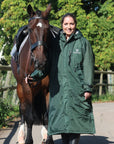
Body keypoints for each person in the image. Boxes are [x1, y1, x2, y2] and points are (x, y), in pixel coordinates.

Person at [47, 13, 95, 144]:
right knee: (62, 122)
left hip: (77, 89)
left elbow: (88, 66)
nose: (69, 27)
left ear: (75, 25)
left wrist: (88, 88)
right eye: (66, 24)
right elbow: (47, 65)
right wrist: (33, 77)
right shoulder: (55, 44)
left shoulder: (83, 43)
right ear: (62, 26)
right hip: (60, 90)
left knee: (76, 122)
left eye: (71, 24)